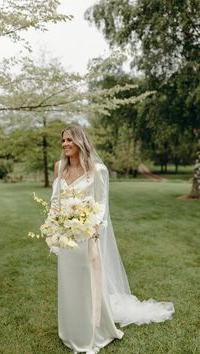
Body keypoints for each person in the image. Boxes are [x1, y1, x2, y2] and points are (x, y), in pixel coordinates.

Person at [50, 125, 175, 354]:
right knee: (69, 287)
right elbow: (55, 202)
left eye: (69, 139)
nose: (65, 144)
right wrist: (54, 229)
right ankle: (70, 331)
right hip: (65, 240)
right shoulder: (60, 169)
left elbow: (101, 207)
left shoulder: (98, 170)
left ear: (80, 141)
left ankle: (93, 333)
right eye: (63, 140)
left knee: (89, 286)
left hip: (86, 238)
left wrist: (91, 229)